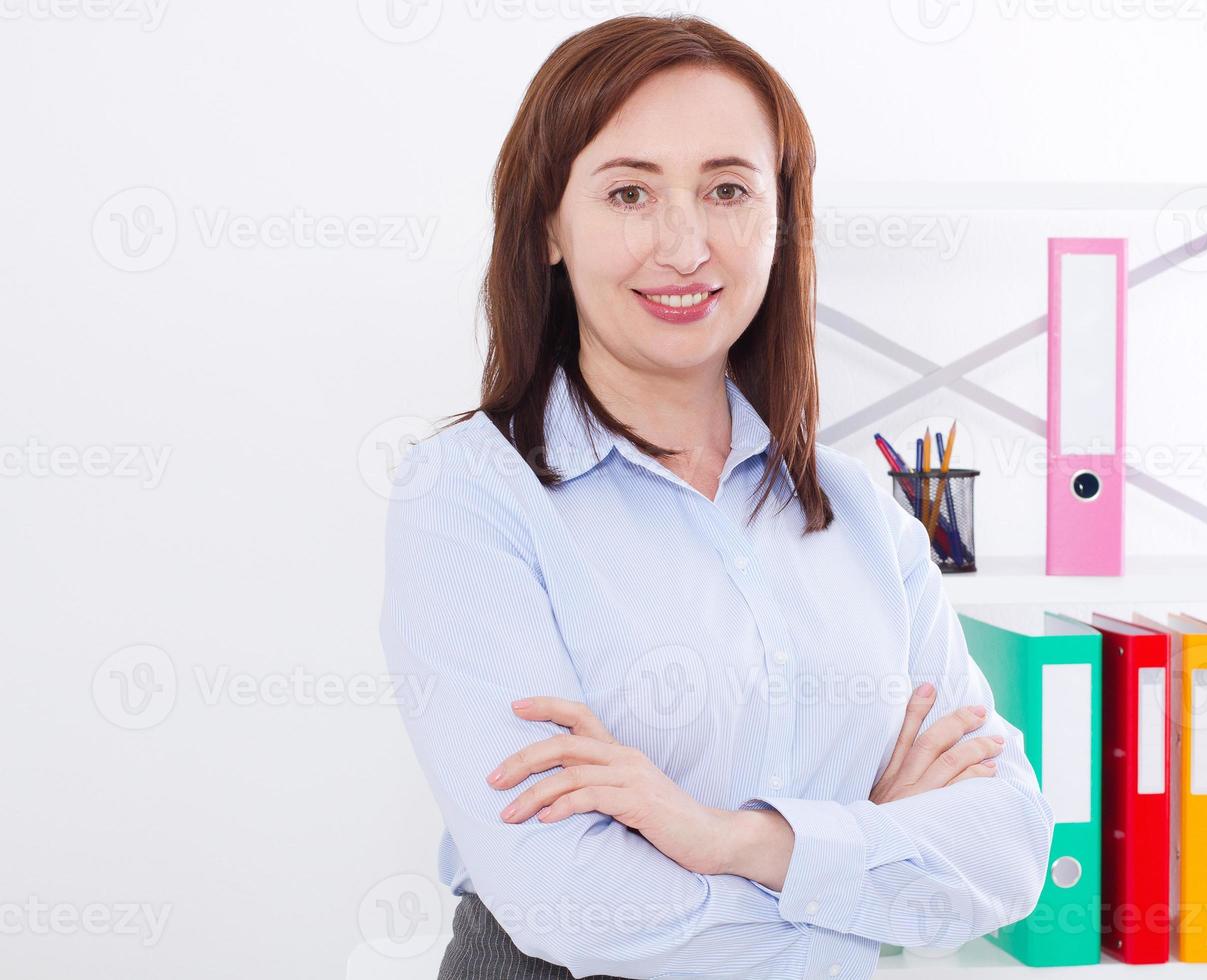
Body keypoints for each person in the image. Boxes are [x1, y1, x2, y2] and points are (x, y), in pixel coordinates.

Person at [378, 14, 1054, 979]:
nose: (686, 245)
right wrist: (862, 863)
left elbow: (1010, 850)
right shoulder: (471, 495)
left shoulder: (859, 509)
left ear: (780, 218)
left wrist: (729, 840)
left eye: (728, 189)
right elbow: (566, 902)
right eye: (629, 193)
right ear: (547, 228)